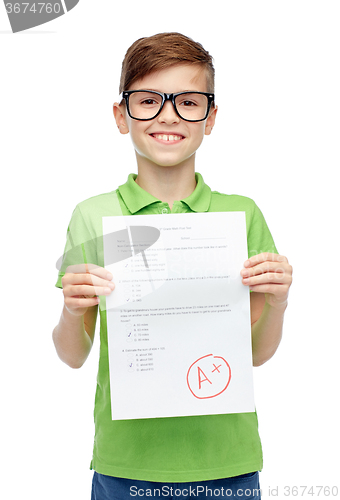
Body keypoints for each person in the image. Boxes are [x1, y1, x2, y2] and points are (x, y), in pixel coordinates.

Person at [53, 32, 292, 500]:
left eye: (187, 101)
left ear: (211, 117)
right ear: (122, 116)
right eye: (148, 100)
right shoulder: (92, 216)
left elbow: (257, 354)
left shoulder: (242, 215)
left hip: (228, 462)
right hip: (127, 465)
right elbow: (72, 355)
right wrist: (69, 308)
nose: (168, 115)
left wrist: (279, 303)